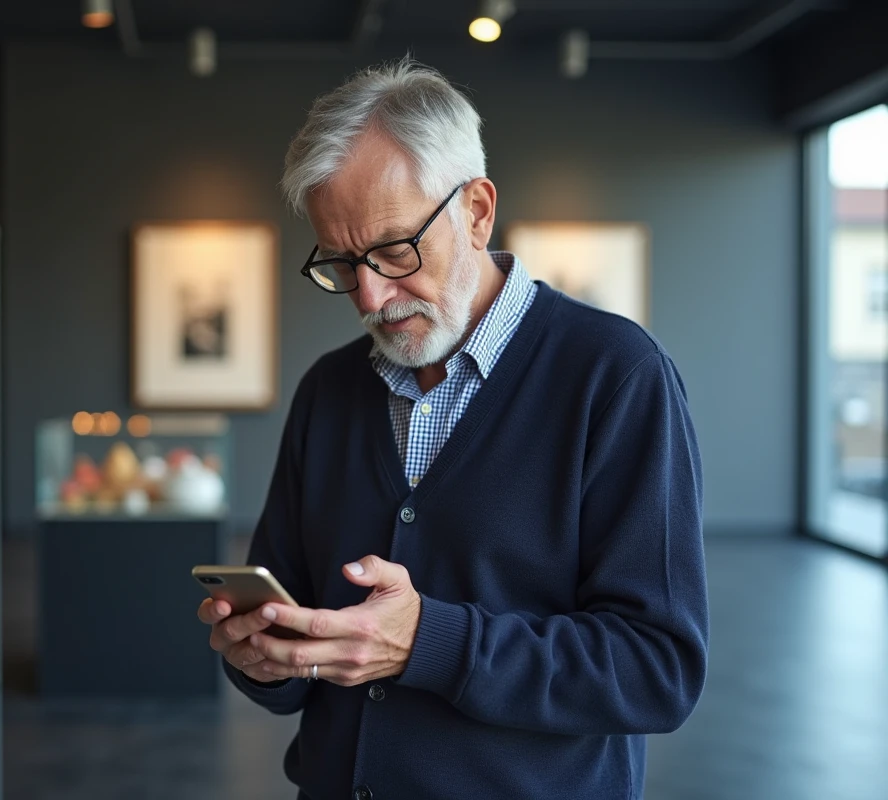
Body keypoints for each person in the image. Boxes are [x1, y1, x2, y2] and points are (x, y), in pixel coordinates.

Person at [197, 57, 708, 800]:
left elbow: (657, 672)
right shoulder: (328, 391)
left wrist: (427, 642)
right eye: (341, 263)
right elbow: (297, 649)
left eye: (394, 249)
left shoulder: (617, 377)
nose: (370, 293)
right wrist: (263, 659)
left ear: (476, 210)